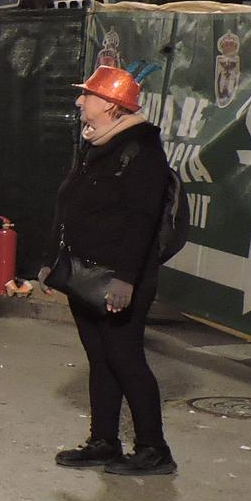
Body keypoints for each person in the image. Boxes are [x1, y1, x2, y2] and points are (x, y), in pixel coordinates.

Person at [47, 66, 178, 477]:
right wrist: (53, 259)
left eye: (87, 96)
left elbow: (142, 223)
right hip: (86, 273)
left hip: (119, 279)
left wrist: (125, 279)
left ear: (110, 105)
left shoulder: (140, 152)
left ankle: (154, 449)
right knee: (101, 358)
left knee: (126, 359)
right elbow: (70, 204)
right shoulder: (98, 144)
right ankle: (104, 441)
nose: (79, 102)